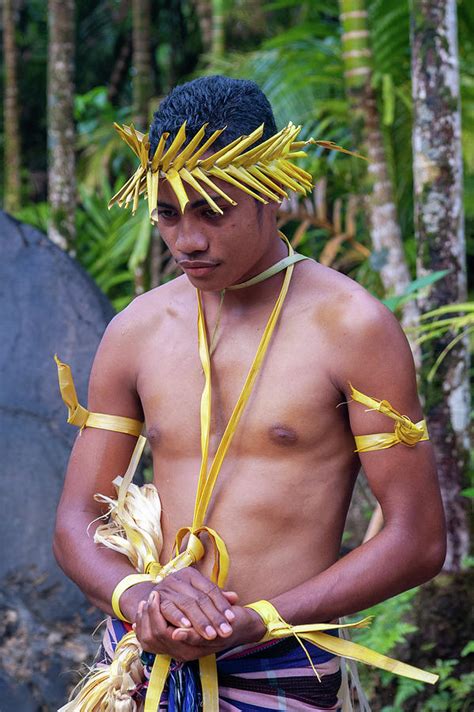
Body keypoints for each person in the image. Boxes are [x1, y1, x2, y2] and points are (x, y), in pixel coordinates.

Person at [54, 75, 446, 711]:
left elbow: (419, 539)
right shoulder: (137, 331)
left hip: (285, 672)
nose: (187, 240)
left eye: (213, 209)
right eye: (167, 212)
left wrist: (262, 618)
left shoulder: (351, 328)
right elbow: (75, 523)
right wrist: (139, 598)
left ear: (276, 192)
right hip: (139, 668)